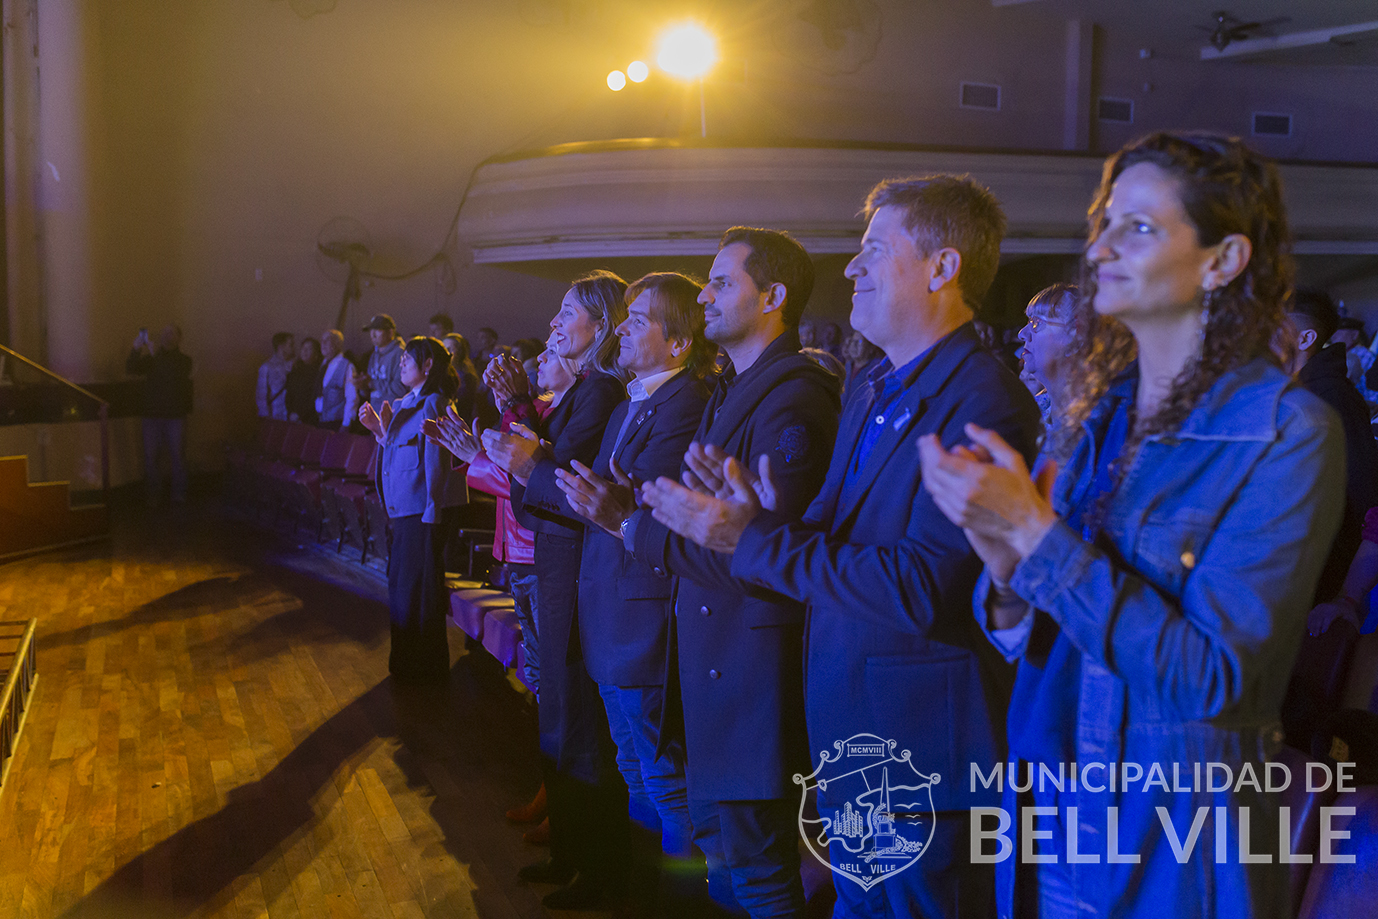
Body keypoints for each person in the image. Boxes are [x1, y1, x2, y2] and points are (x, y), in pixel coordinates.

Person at [916, 132, 1344, 918]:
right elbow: (1039, 640)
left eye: (1138, 227)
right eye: (1104, 223)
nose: (1101, 247)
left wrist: (1038, 538)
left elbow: (1211, 679)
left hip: (1167, 830)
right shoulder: (1098, 416)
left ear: (1223, 260)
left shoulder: (1285, 430)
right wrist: (1005, 571)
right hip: (1050, 808)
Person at [642, 180, 1040, 919]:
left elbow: (923, 587)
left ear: (942, 267)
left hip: (923, 757)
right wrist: (754, 516)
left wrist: (752, 537)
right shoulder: (871, 385)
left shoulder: (982, 400)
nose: (852, 268)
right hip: (853, 740)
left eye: (874, 250)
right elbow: (823, 530)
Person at [624, 227, 841, 917]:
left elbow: (768, 552)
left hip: (752, 666)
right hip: (713, 654)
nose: (705, 296)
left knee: (758, 868)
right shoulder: (736, 386)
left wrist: (631, 525)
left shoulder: (795, 395)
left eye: (722, 282)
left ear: (772, 297)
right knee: (726, 860)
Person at [548, 273, 714, 874]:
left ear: (679, 342)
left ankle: (679, 895)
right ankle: (647, 887)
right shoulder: (629, 403)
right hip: (608, 605)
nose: (620, 329)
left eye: (637, 320)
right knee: (631, 765)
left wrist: (602, 495)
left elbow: (642, 498)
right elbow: (594, 493)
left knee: (663, 774)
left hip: (642, 611)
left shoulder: (687, 402)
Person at [479, 272, 630, 910]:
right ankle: (570, 853)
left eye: (568, 312)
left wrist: (520, 423)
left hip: (576, 569)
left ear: (602, 325)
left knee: (582, 728)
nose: (553, 323)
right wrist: (522, 437)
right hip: (558, 566)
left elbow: (561, 492)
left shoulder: (600, 392)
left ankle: (597, 870)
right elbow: (529, 493)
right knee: (563, 719)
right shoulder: (583, 393)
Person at [358, 336, 466, 684]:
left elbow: (435, 461)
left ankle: (424, 669)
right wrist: (379, 431)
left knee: (419, 589)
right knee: (403, 585)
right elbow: (401, 451)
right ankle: (406, 664)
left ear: (428, 365)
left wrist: (433, 510)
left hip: (422, 510)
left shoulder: (433, 402)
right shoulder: (406, 402)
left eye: (408, 358)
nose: (402, 363)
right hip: (405, 507)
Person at [126, 324, 193, 506]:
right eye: (164, 333)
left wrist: (154, 355)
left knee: (178, 456)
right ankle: (154, 494)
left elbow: (172, 375)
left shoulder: (185, 361)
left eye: (171, 333)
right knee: (150, 457)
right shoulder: (153, 358)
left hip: (174, 416)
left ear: (179, 338)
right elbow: (131, 369)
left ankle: (178, 493)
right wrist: (136, 349)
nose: (166, 335)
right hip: (152, 415)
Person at [363, 314, 406, 413]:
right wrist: (363, 385)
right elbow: (370, 388)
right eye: (371, 330)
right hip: (376, 413)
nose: (373, 335)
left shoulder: (400, 354)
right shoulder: (374, 355)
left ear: (390, 332)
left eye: (378, 330)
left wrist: (372, 383)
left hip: (393, 413)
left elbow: (400, 388)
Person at [315, 329, 355, 430]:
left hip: (335, 423)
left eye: (328, 340)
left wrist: (346, 424)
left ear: (338, 343)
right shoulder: (323, 364)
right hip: (320, 420)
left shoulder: (346, 366)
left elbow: (352, 397)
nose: (323, 344)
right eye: (322, 340)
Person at [441, 332, 481, 423]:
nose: (445, 353)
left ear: (460, 352)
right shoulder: (440, 374)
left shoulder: (467, 377)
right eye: (443, 349)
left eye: (449, 349)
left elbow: (462, 406)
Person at [256, 332, 294, 419]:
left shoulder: (292, 366)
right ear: (281, 347)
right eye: (290, 345)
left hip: (289, 417)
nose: (293, 348)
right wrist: (266, 418)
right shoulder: (266, 367)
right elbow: (261, 396)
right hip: (275, 416)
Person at [286, 336, 322, 424]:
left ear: (316, 354)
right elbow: (289, 393)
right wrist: (290, 412)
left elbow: (314, 397)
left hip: (309, 420)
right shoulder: (295, 370)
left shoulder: (319, 374)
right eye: (303, 348)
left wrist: (301, 415)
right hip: (292, 418)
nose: (304, 351)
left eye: (309, 349)